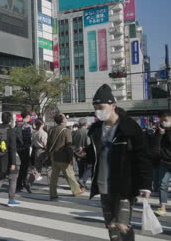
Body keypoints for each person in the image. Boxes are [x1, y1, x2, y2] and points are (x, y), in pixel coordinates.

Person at [82, 84, 152, 240]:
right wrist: (85, 153)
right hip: (103, 184)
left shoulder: (129, 127)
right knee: (111, 226)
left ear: (113, 105)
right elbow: (95, 155)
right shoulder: (96, 130)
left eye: (101, 107)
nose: (98, 111)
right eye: (95, 107)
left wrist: (146, 184)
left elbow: (143, 155)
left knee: (122, 225)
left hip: (124, 185)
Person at [0, 112, 22, 207]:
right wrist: (13, 163)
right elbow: (13, 148)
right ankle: (11, 200)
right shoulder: (10, 131)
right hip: (8, 159)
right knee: (13, 178)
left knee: (0, 178)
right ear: (10, 120)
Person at [47, 113, 84, 201]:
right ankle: (76, 191)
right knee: (70, 174)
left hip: (53, 156)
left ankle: (53, 194)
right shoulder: (66, 131)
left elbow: (48, 145)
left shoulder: (51, 130)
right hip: (63, 157)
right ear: (63, 120)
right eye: (65, 117)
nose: (66, 119)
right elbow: (69, 146)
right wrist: (71, 158)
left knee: (54, 177)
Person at [153, 111, 171, 216]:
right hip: (164, 162)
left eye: (166, 120)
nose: (163, 122)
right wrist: (159, 133)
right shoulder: (160, 130)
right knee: (162, 185)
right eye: (162, 120)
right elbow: (155, 144)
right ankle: (162, 207)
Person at [16, 111, 33, 193]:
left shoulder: (17, 124)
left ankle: (20, 184)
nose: (30, 117)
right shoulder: (27, 126)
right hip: (25, 148)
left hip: (19, 148)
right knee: (25, 167)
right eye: (29, 116)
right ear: (27, 116)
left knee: (23, 166)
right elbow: (28, 139)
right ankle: (22, 183)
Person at [27, 119, 48, 185]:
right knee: (49, 167)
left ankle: (29, 182)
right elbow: (45, 143)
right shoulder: (44, 133)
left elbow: (32, 143)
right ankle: (51, 183)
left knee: (37, 167)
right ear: (42, 125)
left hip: (36, 150)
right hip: (43, 150)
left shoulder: (35, 133)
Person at [72, 118, 91, 189]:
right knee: (89, 167)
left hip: (77, 153)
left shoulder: (74, 132)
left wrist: (76, 149)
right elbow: (88, 143)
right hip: (86, 152)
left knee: (80, 168)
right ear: (85, 124)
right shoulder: (87, 132)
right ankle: (83, 181)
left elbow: (72, 143)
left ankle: (82, 184)